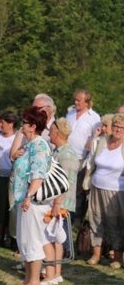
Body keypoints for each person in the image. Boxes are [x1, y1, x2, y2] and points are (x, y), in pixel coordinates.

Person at [13, 106, 57, 285]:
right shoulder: (29, 145)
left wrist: (28, 196)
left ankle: (33, 281)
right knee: (26, 243)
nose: (21, 126)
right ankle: (28, 279)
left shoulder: (39, 145)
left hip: (34, 202)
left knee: (33, 244)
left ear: (32, 126)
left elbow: (38, 174)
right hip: (26, 200)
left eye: (24, 123)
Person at [83, 113, 124, 269]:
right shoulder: (101, 142)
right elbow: (91, 162)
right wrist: (87, 182)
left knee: (116, 223)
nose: (118, 130)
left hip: (116, 192)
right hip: (96, 187)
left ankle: (118, 257)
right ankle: (96, 254)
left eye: (122, 127)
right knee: (95, 219)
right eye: (115, 126)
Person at [48, 117, 78, 283]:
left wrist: (57, 204)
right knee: (53, 239)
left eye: (51, 130)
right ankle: (53, 270)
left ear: (57, 133)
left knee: (58, 240)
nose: (49, 133)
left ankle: (56, 272)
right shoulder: (57, 151)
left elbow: (64, 184)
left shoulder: (66, 155)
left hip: (61, 204)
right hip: (54, 202)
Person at [66, 89, 101, 224]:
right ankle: (66, 214)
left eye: (78, 100)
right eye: (75, 99)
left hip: (81, 157)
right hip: (67, 155)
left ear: (87, 102)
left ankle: (77, 219)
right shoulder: (70, 113)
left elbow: (96, 138)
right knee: (66, 187)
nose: (75, 102)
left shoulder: (94, 118)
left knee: (79, 190)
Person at [0, 110, 19, 246]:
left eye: (3, 122)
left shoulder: (18, 137)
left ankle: (9, 235)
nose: (0, 125)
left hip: (12, 175)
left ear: (11, 124)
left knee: (9, 206)